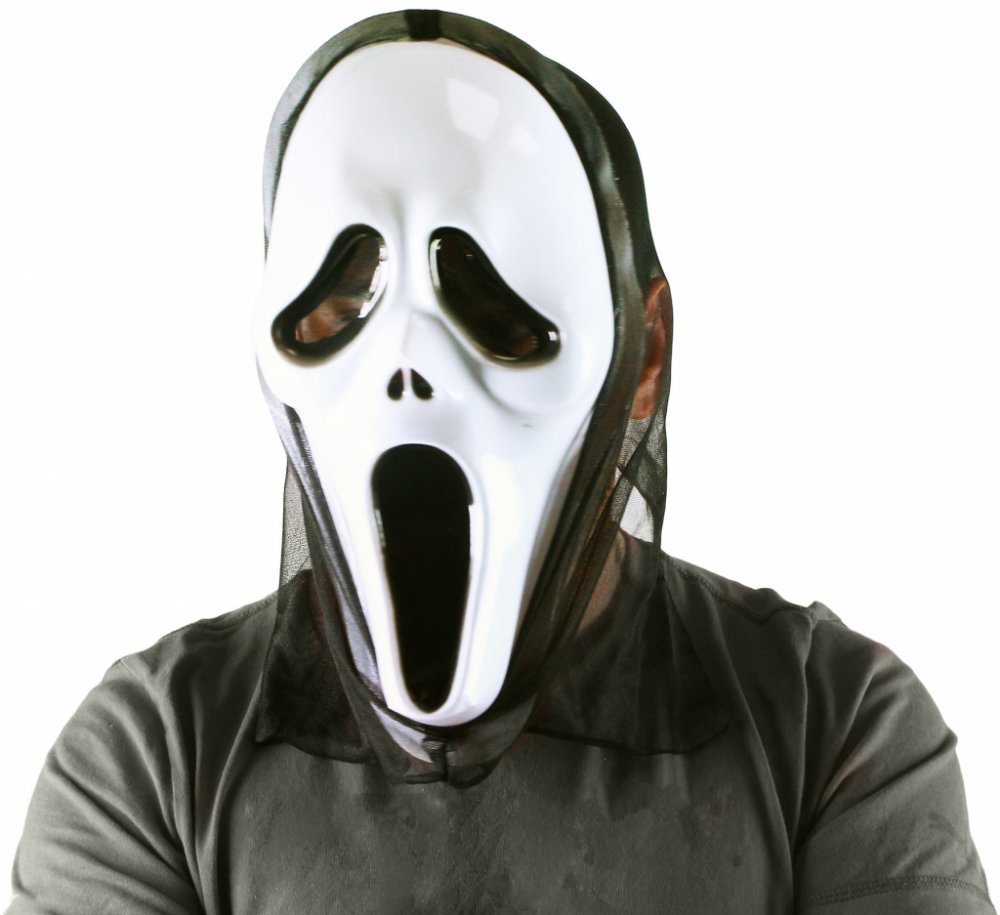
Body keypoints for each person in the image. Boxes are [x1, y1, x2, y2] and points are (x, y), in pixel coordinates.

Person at [8, 10, 995, 913]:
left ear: (642, 351)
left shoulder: (829, 723)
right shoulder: (155, 755)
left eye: (491, 302)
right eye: (339, 307)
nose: (407, 370)